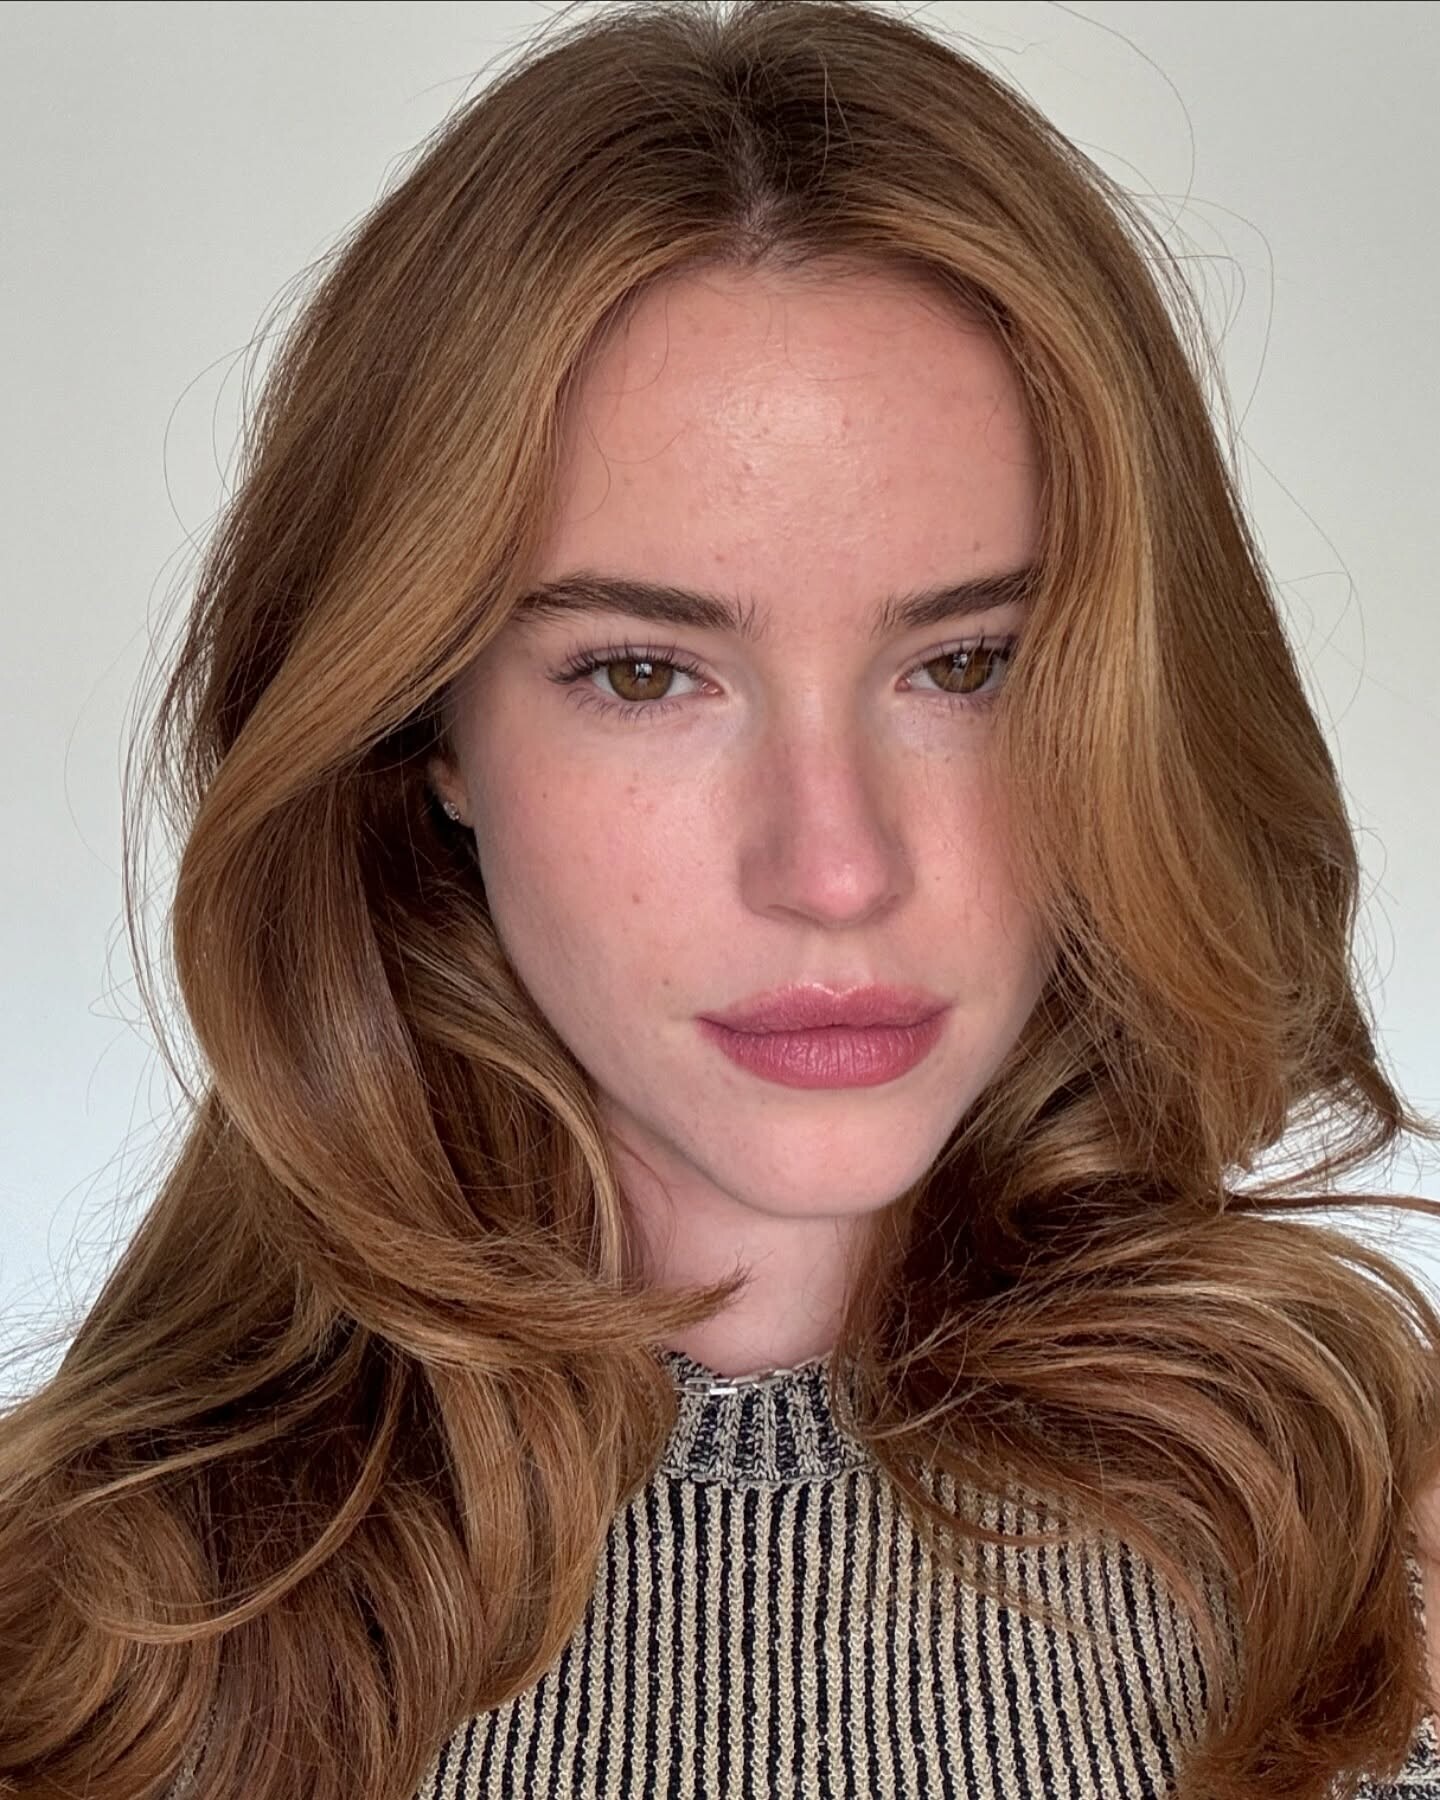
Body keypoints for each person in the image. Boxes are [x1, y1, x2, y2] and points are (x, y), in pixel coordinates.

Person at [3, 2, 1439, 1796]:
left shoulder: (1376, 1589)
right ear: (423, 729)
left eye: (969, 665)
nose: (835, 867)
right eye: (643, 674)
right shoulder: (76, 1661)